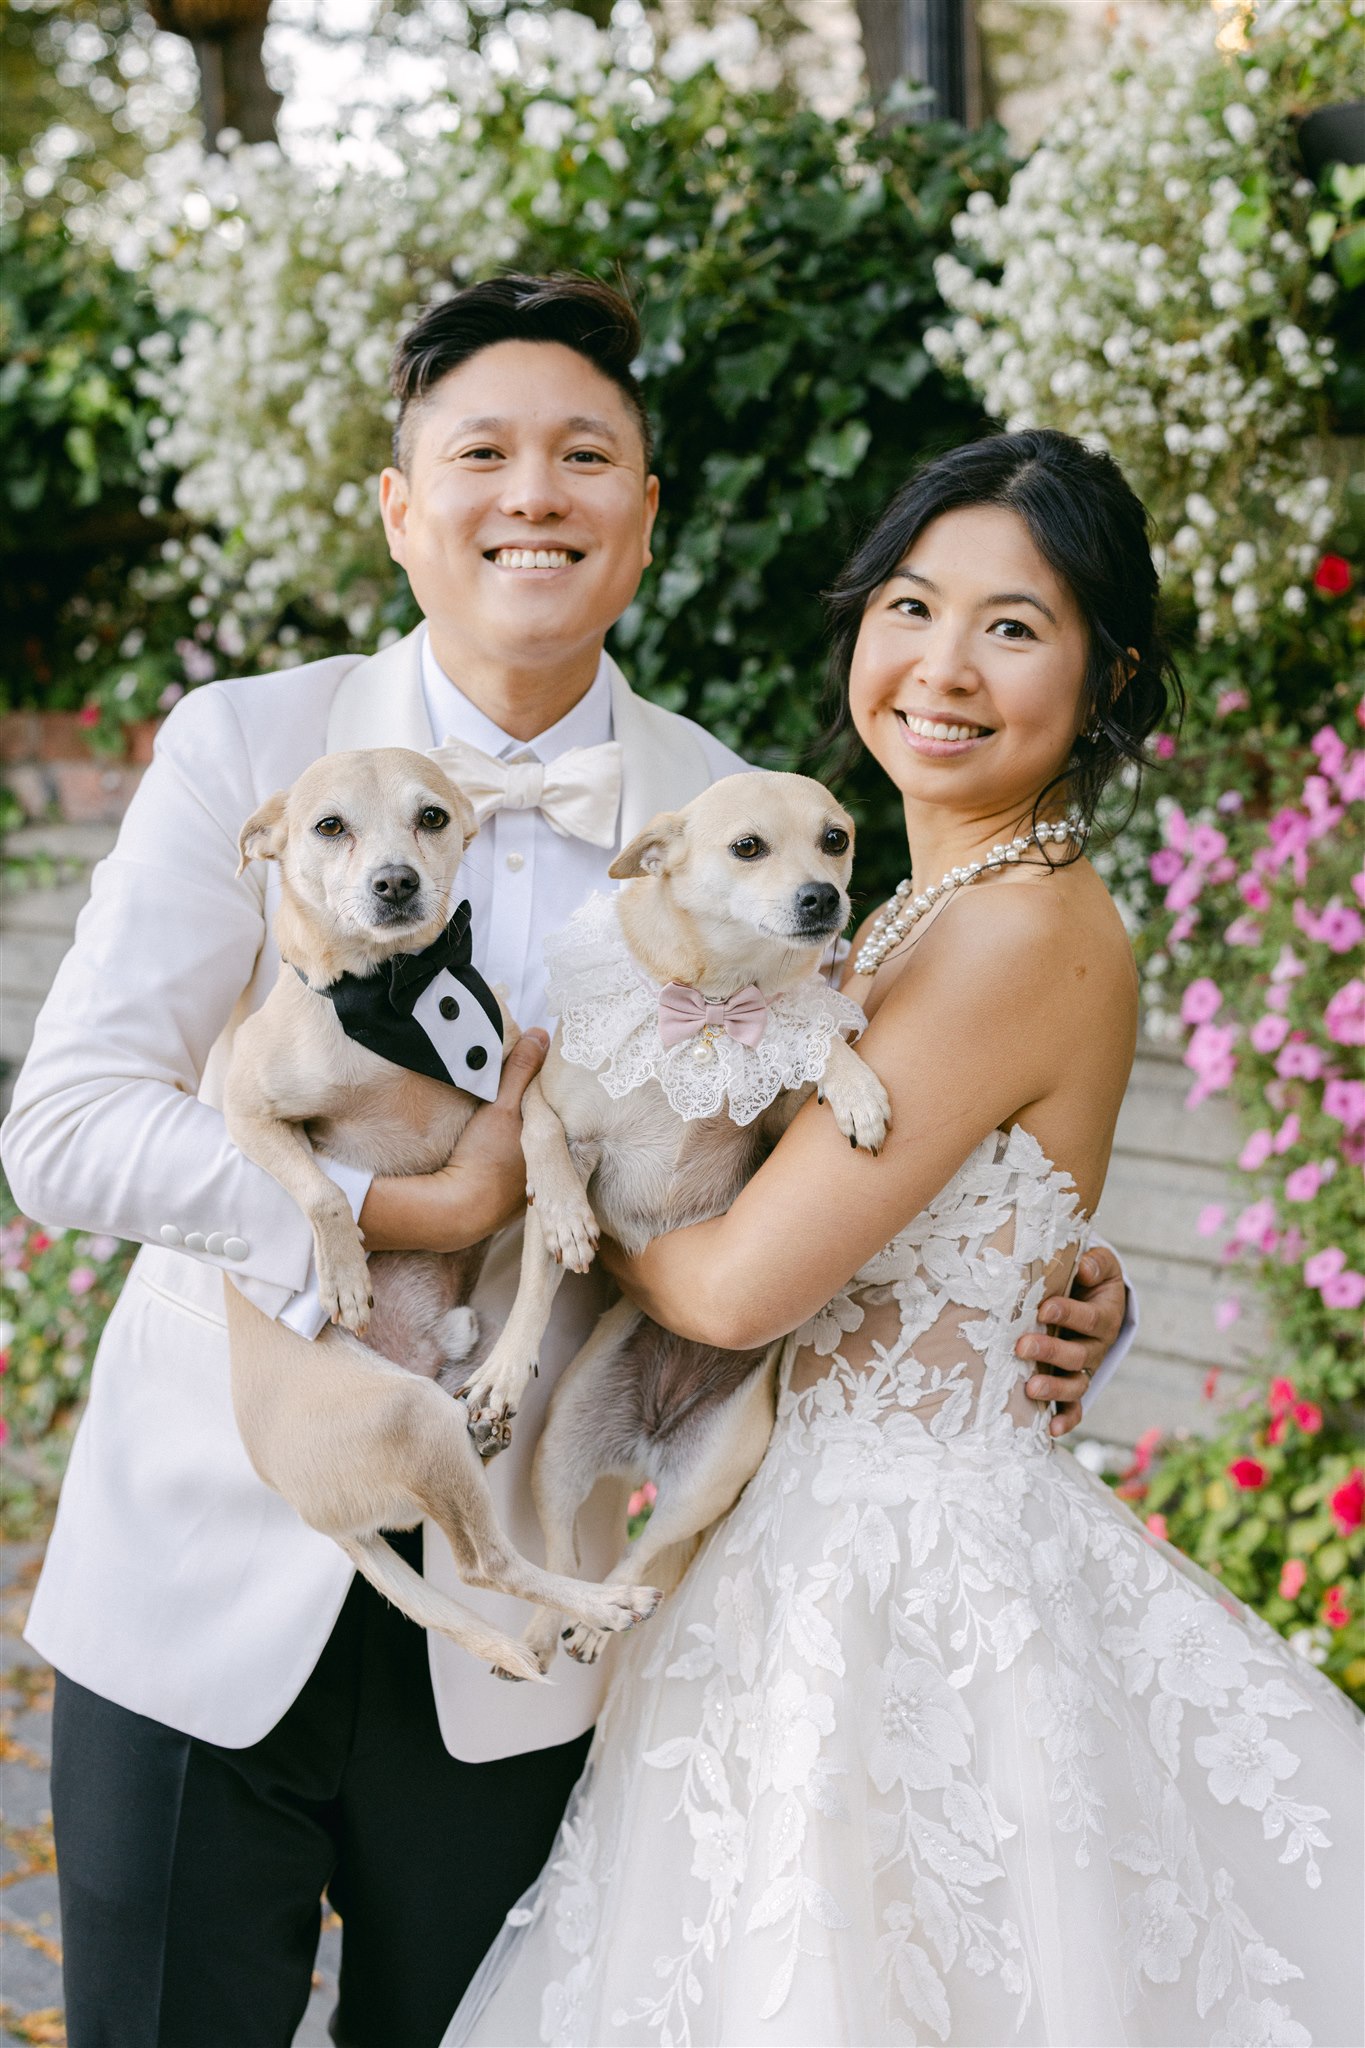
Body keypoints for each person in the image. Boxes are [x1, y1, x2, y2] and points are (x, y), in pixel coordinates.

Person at [1, 283, 1131, 2048]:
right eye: (483, 454)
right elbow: (63, 1127)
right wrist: (394, 1212)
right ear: (399, 508)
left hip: (534, 1647)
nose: (535, 492)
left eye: (585, 454)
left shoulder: (724, 804)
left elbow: (827, 1157)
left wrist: (1045, 1270)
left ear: (645, 514)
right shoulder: (245, 742)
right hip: (207, 1567)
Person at [446, 430, 1365, 2048]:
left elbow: (735, 1285)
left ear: (1107, 675)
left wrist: (559, 1195)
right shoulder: (887, 907)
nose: (941, 667)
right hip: (804, 1538)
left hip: (902, 1585)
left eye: (1012, 627)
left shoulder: (1011, 927)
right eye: (909, 605)